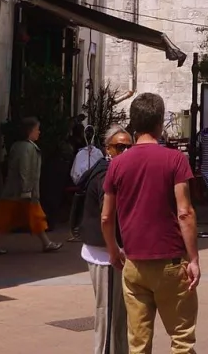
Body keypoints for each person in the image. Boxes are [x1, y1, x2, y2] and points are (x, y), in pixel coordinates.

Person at [101, 93, 199, 354]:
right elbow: (185, 212)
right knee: (181, 340)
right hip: (170, 263)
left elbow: (106, 217)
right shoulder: (175, 160)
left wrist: (113, 251)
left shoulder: (117, 165)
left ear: (134, 125)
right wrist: (194, 258)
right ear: (159, 124)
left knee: (138, 344)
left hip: (134, 263)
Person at [81, 128, 131, 354]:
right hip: (106, 256)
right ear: (107, 149)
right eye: (120, 147)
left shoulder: (117, 171)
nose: (126, 151)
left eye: (130, 146)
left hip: (112, 252)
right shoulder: (106, 173)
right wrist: (114, 250)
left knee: (119, 316)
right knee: (109, 315)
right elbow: (107, 216)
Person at [0, 117, 62, 254]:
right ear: (30, 131)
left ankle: (46, 243)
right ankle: (46, 243)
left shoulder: (19, 146)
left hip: (17, 191)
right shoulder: (26, 148)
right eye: (37, 130)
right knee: (33, 216)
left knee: (27, 217)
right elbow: (24, 169)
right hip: (22, 192)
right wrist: (27, 189)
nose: (39, 132)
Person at [69, 127, 105, 241]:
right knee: (79, 208)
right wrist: (80, 180)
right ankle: (77, 230)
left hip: (94, 186)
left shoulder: (98, 153)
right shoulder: (80, 154)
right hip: (82, 186)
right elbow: (75, 171)